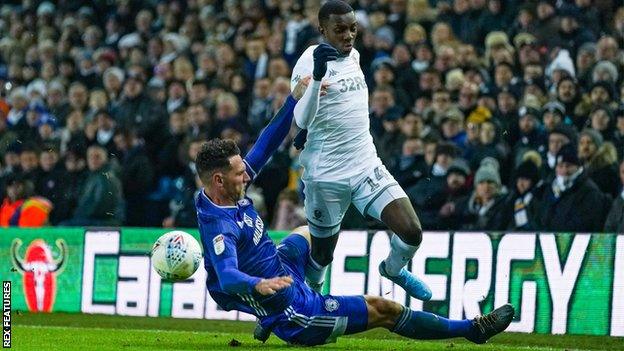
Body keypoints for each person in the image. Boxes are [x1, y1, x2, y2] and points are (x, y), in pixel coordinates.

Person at [194, 99, 515, 346]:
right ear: (220, 181)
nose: (247, 174)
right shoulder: (221, 226)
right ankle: (472, 330)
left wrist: (293, 100)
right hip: (294, 310)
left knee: (307, 233)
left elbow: (265, 144)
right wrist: (257, 286)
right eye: (240, 173)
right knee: (384, 310)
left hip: (280, 268)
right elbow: (227, 277)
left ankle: (268, 314)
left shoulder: (222, 191)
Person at [290, 0, 430, 300]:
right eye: (339, 30)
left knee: (411, 231)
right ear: (322, 29)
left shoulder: (353, 56)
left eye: (353, 29)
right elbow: (300, 118)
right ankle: (309, 303)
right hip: (326, 175)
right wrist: (316, 76)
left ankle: (393, 270)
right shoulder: (307, 61)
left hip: (366, 165)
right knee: (322, 256)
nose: (348, 36)